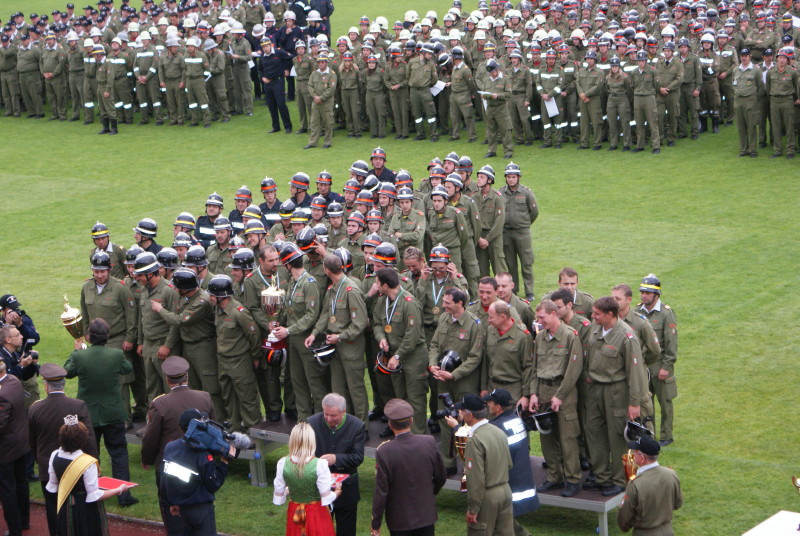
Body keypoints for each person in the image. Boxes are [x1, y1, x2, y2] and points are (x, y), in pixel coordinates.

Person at [64, 318, 139, 506]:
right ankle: (124, 496)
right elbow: (128, 368)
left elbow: (67, 372)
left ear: (89, 337)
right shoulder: (116, 354)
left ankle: (91, 492)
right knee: (119, 453)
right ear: (108, 336)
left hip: (88, 414)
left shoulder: (80, 356)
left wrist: (76, 351)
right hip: (112, 413)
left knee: (89, 455)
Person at [141, 356, 215, 535]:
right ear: (187, 376)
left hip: (170, 466)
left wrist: (147, 459)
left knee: (173, 513)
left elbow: (151, 437)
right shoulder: (204, 398)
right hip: (200, 463)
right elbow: (213, 430)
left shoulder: (160, 403)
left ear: (167, 380)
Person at [583, 297, 647, 496]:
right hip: (595, 390)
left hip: (616, 392)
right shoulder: (595, 328)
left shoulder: (627, 337)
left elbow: (635, 373)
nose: (593, 316)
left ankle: (622, 479)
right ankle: (601, 477)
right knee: (594, 432)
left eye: (597, 313)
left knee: (618, 437)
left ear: (610, 314)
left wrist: (634, 403)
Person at [29, 363, 97, 536]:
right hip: (76, 468)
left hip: (47, 468)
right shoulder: (78, 406)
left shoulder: (35, 408)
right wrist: (94, 465)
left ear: (46, 386)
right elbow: (89, 439)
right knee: (79, 510)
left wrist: (40, 460)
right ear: (63, 384)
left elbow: (32, 441)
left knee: (53, 511)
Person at [306, 254, 369, 424]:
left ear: (326, 270)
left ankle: (361, 426)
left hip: (350, 346)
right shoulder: (332, 288)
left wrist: (340, 337)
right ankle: (343, 424)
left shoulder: (351, 290)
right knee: (338, 389)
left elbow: (360, 323)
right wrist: (314, 333)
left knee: (355, 388)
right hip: (335, 346)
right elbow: (326, 313)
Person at [530, 300, 583, 497]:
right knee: (547, 437)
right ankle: (554, 476)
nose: (540, 321)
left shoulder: (570, 336)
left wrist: (559, 396)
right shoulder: (540, 337)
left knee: (568, 438)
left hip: (564, 393)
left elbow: (573, 371)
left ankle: (573, 479)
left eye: (542, 317)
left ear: (554, 314)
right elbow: (535, 368)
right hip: (543, 391)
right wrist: (534, 393)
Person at [428, 288, 485, 473]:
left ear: (459, 303)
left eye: (447, 302)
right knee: (446, 419)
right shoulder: (444, 318)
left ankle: (471, 463)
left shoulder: (474, 325)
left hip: (464, 382)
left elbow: (475, 358)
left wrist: (455, 374)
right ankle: (448, 461)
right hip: (443, 379)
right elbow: (434, 345)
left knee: (468, 422)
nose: (443, 305)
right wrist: (432, 365)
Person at [371, 398, 446, 536]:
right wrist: (429, 492)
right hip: (425, 515)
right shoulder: (428, 442)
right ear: (411, 421)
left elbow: (382, 491)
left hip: (400, 520)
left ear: (390, 424)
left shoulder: (385, 451)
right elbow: (441, 476)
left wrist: (376, 522)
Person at [46, 418, 131, 536]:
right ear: (82, 440)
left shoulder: (54, 455)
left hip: (64, 508)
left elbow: (53, 485)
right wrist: (119, 489)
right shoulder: (88, 462)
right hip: (85, 510)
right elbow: (94, 495)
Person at [80, 251, 138, 423]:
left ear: (109, 270)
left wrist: (129, 338)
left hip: (117, 340)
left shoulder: (120, 288)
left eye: (102, 271)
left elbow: (131, 315)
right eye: (96, 271)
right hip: (96, 342)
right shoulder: (86, 287)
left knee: (120, 381)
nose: (99, 275)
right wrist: (86, 332)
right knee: (99, 380)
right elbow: (84, 312)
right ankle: (105, 416)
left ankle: (124, 419)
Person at [160, 409, 234, 536]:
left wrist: (172, 503)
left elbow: (165, 479)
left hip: (181, 509)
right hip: (201, 511)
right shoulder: (202, 454)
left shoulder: (170, 448)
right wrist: (224, 463)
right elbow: (213, 483)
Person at [208, 274, 263, 432]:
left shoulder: (239, 312)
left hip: (239, 360)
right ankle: (234, 429)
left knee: (247, 396)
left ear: (221, 296)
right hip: (223, 360)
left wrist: (255, 356)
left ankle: (253, 429)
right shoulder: (219, 310)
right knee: (228, 396)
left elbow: (254, 334)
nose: (210, 297)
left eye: (212, 295)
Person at [483, 389, 540, 536]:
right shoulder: (515, 419)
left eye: (491, 402)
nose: (488, 404)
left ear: (498, 407)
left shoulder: (497, 427)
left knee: (500, 524)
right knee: (505, 521)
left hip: (509, 485)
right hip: (521, 480)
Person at [308, 393, 366, 536]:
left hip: (347, 489)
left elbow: (358, 457)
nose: (328, 419)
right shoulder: (312, 423)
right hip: (318, 487)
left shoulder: (357, 426)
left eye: (333, 415)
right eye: (326, 414)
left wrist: (336, 459)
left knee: (346, 531)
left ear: (343, 411)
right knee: (318, 531)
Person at [457, 394, 514, 536]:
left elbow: (475, 478)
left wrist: (473, 509)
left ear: (470, 415)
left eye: (462, 411)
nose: (461, 414)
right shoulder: (499, 432)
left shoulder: (474, 440)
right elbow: (509, 463)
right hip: (505, 491)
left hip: (487, 497)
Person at [273, 422, 341, 536]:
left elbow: (279, 494)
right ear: (311, 440)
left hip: (295, 512)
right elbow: (326, 496)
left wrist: (292, 489)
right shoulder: (320, 464)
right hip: (316, 513)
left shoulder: (283, 463)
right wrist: (337, 492)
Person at [635, 275, 679, 447]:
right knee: (646, 402)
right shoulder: (637, 311)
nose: (644, 295)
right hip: (644, 365)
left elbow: (671, 343)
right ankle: (649, 434)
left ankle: (666, 435)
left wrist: (666, 366)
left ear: (656, 295)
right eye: (642, 292)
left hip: (660, 365)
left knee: (665, 402)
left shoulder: (666, 314)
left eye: (648, 293)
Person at [617, 435, 683, 535]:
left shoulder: (635, 484)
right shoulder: (671, 474)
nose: (633, 454)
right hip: (667, 531)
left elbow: (625, 519)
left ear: (642, 458)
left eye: (635, 452)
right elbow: (678, 503)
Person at [498, 163, 537, 301]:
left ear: (518, 177)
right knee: (510, 263)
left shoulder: (526, 193)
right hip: (506, 232)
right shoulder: (501, 193)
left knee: (526, 262)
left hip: (522, 232)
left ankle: (529, 291)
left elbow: (534, 212)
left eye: (513, 177)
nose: (511, 179)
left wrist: (524, 224)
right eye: (508, 177)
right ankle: (513, 290)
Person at [0, 360, 30, 536]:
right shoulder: (13, 380)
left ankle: (14, 529)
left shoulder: (2, 394)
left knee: (7, 489)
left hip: (6, 449)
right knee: (21, 482)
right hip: (21, 443)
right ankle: (24, 520)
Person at [732, 49, 764, 158]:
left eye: (746, 56)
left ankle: (753, 150)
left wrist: (755, 99)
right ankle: (743, 150)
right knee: (741, 127)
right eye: (742, 56)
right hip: (738, 100)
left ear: (750, 56)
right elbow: (733, 84)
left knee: (751, 126)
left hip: (751, 100)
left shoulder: (755, 70)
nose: (744, 58)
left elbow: (760, 87)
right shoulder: (736, 70)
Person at [259, 37, 293, 133]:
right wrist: (262, 78)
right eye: (263, 47)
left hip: (278, 81)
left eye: (266, 46)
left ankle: (288, 126)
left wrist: (287, 69)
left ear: (270, 45)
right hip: (267, 83)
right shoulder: (262, 57)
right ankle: (276, 126)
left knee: (281, 104)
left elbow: (291, 58)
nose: (265, 48)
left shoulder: (279, 53)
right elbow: (260, 69)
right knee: (271, 105)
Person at [304, 53, 337, 149]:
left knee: (328, 123)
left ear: (326, 62)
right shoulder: (314, 73)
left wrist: (321, 98)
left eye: (322, 62)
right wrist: (315, 96)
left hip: (326, 102)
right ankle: (313, 142)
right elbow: (310, 86)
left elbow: (331, 89)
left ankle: (327, 142)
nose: (320, 64)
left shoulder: (332, 74)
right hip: (315, 101)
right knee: (314, 123)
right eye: (319, 62)